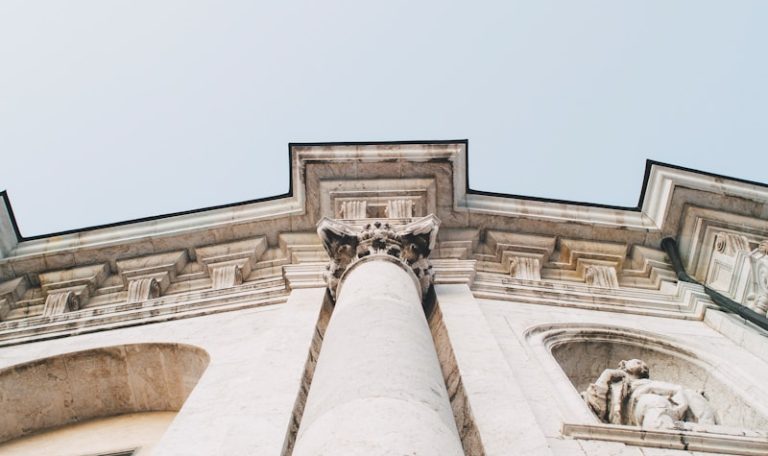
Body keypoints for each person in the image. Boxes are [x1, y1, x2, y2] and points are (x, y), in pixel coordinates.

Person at [583, 359, 718, 429]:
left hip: (668, 404)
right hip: (637, 408)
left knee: (691, 394)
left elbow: (669, 389)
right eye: (638, 361)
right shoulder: (614, 385)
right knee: (652, 401)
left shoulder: (649, 383)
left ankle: (707, 427)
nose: (643, 364)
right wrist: (608, 374)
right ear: (623, 366)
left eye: (645, 365)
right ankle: (663, 435)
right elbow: (598, 406)